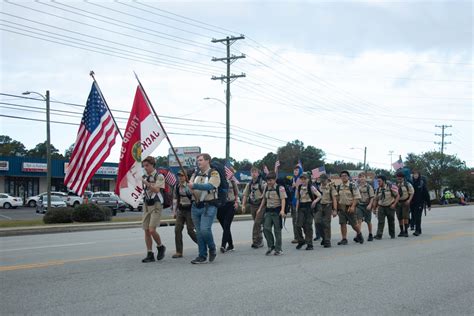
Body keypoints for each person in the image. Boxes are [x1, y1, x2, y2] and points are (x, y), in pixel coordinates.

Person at [187, 154, 221, 264]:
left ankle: (212, 248)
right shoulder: (195, 173)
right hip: (196, 206)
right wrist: (189, 189)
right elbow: (190, 186)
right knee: (199, 233)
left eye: (201, 160)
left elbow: (210, 186)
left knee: (205, 229)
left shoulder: (214, 173)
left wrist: (194, 186)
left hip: (209, 206)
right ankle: (202, 256)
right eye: (198, 160)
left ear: (207, 161)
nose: (198, 162)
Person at [141, 156, 166, 263]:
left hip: (156, 204)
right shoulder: (143, 176)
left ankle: (160, 247)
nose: (145, 168)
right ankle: (150, 253)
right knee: (146, 230)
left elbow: (156, 189)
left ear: (152, 165)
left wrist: (145, 182)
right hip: (146, 204)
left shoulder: (159, 176)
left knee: (152, 229)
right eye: (144, 166)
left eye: (147, 165)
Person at [257, 172, 287, 256]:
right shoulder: (266, 187)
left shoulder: (280, 188)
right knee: (266, 229)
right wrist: (260, 208)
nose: (269, 182)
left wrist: (282, 210)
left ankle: (278, 249)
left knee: (277, 231)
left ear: (274, 180)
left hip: (277, 211)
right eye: (268, 180)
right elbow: (264, 199)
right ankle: (271, 246)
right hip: (268, 211)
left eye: (270, 180)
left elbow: (283, 199)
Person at [171, 169, 197, 259]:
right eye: (179, 176)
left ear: (186, 177)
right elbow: (175, 199)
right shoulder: (177, 186)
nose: (180, 177)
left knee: (190, 231)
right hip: (181, 210)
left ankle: (203, 244)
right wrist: (174, 211)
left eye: (182, 176)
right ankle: (179, 252)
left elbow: (194, 197)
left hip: (190, 210)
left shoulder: (189, 186)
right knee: (177, 230)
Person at [336, 171, 364, 245]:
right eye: (342, 176)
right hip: (342, 208)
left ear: (348, 177)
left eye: (345, 175)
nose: (344, 177)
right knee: (342, 223)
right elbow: (337, 198)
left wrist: (353, 207)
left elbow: (356, 197)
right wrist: (337, 209)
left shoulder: (353, 186)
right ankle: (344, 239)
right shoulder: (339, 187)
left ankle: (359, 233)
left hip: (350, 208)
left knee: (354, 224)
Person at [295, 173, 321, 250]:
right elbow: (298, 199)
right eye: (302, 179)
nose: (303, 180)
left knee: (308, 225)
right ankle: (301, 241)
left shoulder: (311, 187)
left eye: (304, 179)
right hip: (301, 207)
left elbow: (319, 196)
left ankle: (309, 244)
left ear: (308, 179)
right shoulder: (299, 187)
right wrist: (297, 208)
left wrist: (314, 201)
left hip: (309, 207)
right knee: (298, 225)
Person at [242, 167, 266, 248]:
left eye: (255, 172)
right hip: (252, 205)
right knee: (257, 224)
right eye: (252, 172)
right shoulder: (249, 184)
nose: (253, 173)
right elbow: (245, 195)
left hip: (261, 205)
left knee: (257, 223)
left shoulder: (262, 183)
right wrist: (243, 205)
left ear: (258, 174)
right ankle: (260, 241)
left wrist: (261, 207)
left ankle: (255, 241)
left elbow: (265, 195)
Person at [373, 175, 400, 239]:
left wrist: (394, 204)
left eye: (379, 181)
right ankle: (379, 235)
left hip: (390, 206)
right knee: (380, 221)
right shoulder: (377, 189)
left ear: (384, 181)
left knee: (391, 221)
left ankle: (392, 234)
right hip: (381, 207)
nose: (378, 183)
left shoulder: (391, 187)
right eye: (377, 181)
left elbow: (397, 196)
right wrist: (374, 208)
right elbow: (376, 199)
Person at [315, 174, 338, 248]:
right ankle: (324, 237)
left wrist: (335, 210)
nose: (322, 181)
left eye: (323, 180)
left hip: (328, 206)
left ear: (326, 179)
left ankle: (327, 240)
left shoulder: (331, 187)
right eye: (321, 179)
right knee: (317, 222)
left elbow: (334, 199)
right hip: (319, 206)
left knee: (326, 223)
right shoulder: (318, 187)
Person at [217, 176, 239, 253]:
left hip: (230, 204)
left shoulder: (232, 181)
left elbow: (236, 193)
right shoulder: (216, 180)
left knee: (226, 225)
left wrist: (236, 202)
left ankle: (223, 245)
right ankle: (231, 245)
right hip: (220, 206)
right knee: (225, 227)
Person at [410, 170, 431, 236]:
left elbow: (426, 194)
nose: (415, 175)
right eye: (414, 174)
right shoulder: (411, 183)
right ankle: (419, 229)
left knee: (418, 217)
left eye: (417, 174)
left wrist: (429, 204)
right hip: (412, 203)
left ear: (419, 175)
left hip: (419, 203)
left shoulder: (421, 183)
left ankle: (417, 231)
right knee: (414, 216)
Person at [356, 173, 375, 241]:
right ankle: (358, 235)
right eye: (360, 177)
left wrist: (370, 205)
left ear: (365, 178)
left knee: (368, 221)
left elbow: (372, 197)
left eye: (363, 177)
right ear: (358, 178)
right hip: (359, 205)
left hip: (367, 205)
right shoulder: (357, 187)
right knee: (359, 220)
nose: (362, 178)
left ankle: (370, 234)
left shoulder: (369, 187)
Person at [395, 172, 414, 237]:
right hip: (398, 203)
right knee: (399, 217)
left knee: (405, 217)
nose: (399, 180)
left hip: (405, 202)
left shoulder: (407, 184)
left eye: (400, 178)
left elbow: (412, 193)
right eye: (398, 178)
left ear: (403, 178)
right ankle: (401, 231)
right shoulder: (395, 185)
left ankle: (406, 231)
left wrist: (409, 200)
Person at [290, 166, 303, 244]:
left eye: (297, 170)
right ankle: (297, 237)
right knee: (294, 219)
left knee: (300, 220)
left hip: (301, 202)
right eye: (294, 170)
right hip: (293, 201)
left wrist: (296, 185)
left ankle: (302, 236)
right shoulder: (293, 179)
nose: (295, 171)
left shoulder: (301, 179)